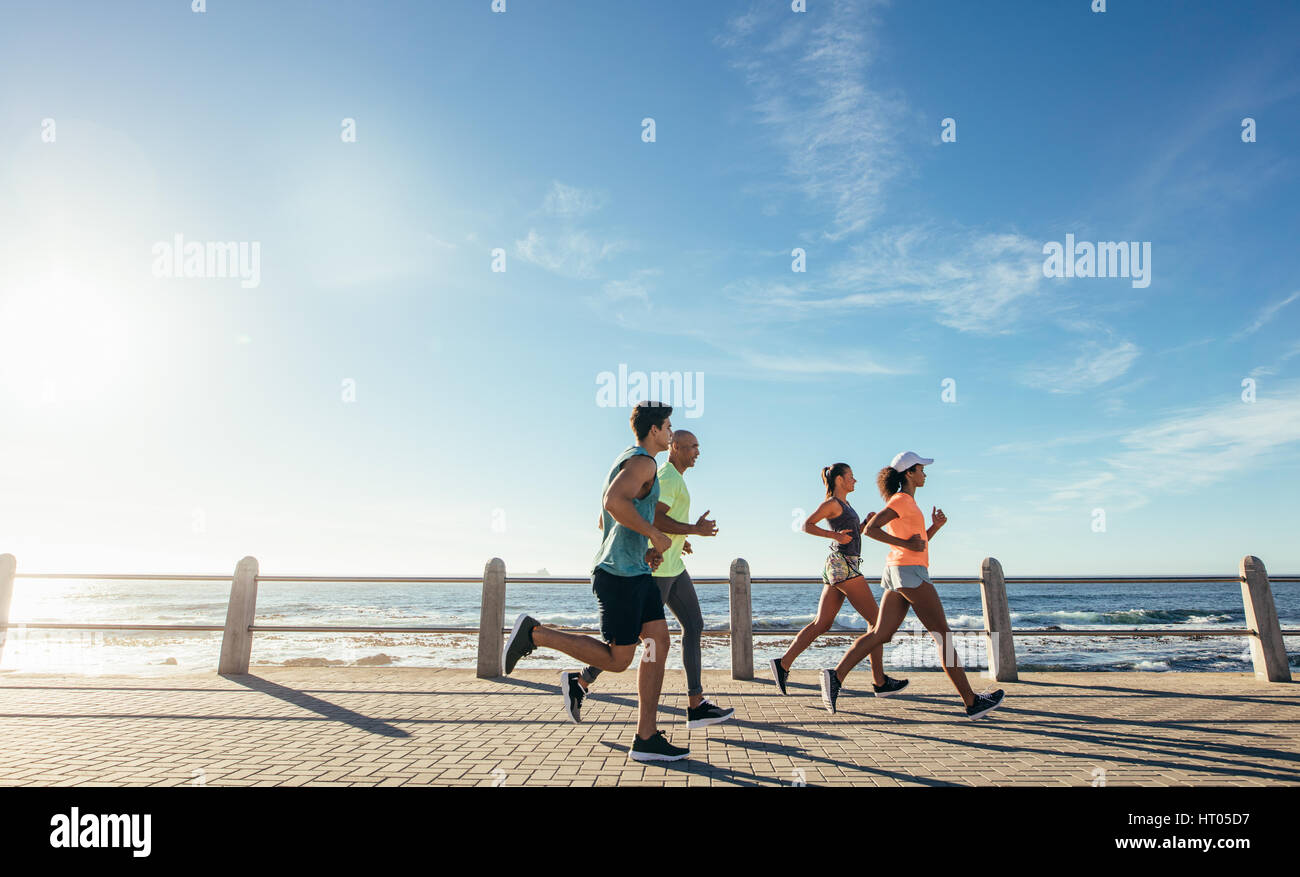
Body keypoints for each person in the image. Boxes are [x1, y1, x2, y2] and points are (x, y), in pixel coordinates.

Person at [502, 401, 688, 762]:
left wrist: (642, 549)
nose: (671, 432)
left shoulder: (628, 460)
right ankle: (534, 633)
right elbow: (613, 502)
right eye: (668, 426)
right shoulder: (643, 462)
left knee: (658, 643)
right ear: (654, 430)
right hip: (619, 576)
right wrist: (653, 534)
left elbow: (605, 520)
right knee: (618, 660)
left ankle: (646, 737)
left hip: (634, 571)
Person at [564, 430, 735, 729]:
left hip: (673, 567)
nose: (698, 451)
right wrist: (692, 530)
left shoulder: (674, 477)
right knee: (630, 642)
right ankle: (582, 681)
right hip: (656, 571)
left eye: (699, 446)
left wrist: (682, 539)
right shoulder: (666, 475)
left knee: (693, 625)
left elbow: (658, 519)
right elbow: (653, 517)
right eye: (693, 446)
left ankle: (696, 704)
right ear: (676, 447)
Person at [819, 452, 1005, 719]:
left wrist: (934, 528)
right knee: (943, 635)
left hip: (898, 571)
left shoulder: (905, 503)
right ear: (909, 473)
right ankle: (971, 701)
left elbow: (917, 543)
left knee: (880, 633)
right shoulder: (902, 501)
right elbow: (870, 529)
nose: (925, 473)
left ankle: (835, 675)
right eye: (921, 469)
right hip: (910, 573)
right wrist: (907, 545)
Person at [770, 463, 908, 698]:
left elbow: (850, 535)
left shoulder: (845, 504)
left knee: (822, 623)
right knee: (877, 621)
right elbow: (807, 525)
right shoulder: (832, 503)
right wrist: (833, 535)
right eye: (851, 477)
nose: (855, 481)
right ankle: (880, 681)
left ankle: (783, 664)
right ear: (840, 480)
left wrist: (864, 524)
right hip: (843, 565)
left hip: (843, 564)